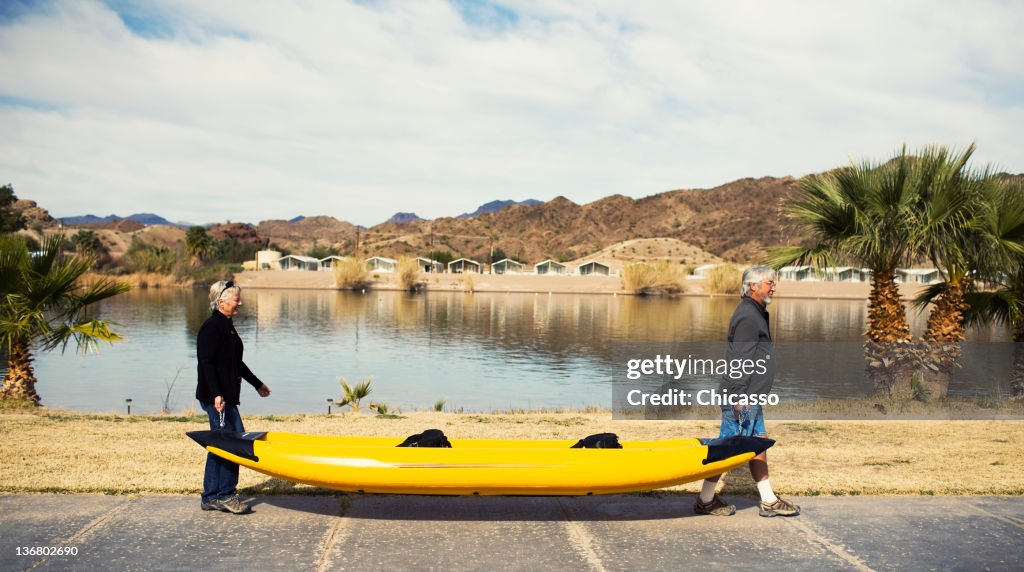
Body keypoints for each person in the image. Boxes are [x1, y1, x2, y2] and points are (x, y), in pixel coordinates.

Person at [694, 266, 800, 517]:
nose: (773, 286)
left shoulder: (756, 313)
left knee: (758, 443)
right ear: (753, 286)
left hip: (750, 396)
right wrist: (740, 396)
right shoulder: (748, 317)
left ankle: (769, 500)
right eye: (769, 283)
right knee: (726, 450)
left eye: (773, 283)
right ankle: (705, 500)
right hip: (741, 396)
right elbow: (740, 359)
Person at [196, 280, 271, 514]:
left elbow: (236, 364)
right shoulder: (212, 327)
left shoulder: (226, 325)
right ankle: (226, 495)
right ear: (221, 302)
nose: (239, 303)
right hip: (216, 398)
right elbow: (206, 364)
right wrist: (217, 394)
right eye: (236, 299)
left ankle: (211, 496)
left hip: (225, 396)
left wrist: (257, 384)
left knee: (220, 445)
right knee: (232, 445)